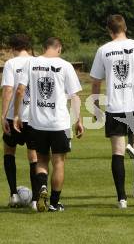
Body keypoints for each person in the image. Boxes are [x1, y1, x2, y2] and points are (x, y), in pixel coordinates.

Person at [90, 14, 134, 208]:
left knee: (118, 152)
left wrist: (95, 108)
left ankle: (121, 198)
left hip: (115, 107)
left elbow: (96, 82)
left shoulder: (103, 50)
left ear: (108, 30)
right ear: (125, 27)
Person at [13, 37, 83, 212]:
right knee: (58, 162)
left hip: (37, 124)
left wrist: (16, 115)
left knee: (42, 160)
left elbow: (20, 90)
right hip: (59, 123)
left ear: (44, 47)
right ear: (58, 48)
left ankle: (42, 187)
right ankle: (54, 202)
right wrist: (79, 120)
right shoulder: (66, 66)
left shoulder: (31, 63)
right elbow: (74, 96)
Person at [1, 34, 38, 209]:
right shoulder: (38, 62)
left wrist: (3, 116)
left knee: (9, 152)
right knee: (34, 156)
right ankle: (36, 200)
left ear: (12, 47)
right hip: (34, 117)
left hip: (13, 116)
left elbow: (8, 90)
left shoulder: (11, 64)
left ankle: (14, 195)